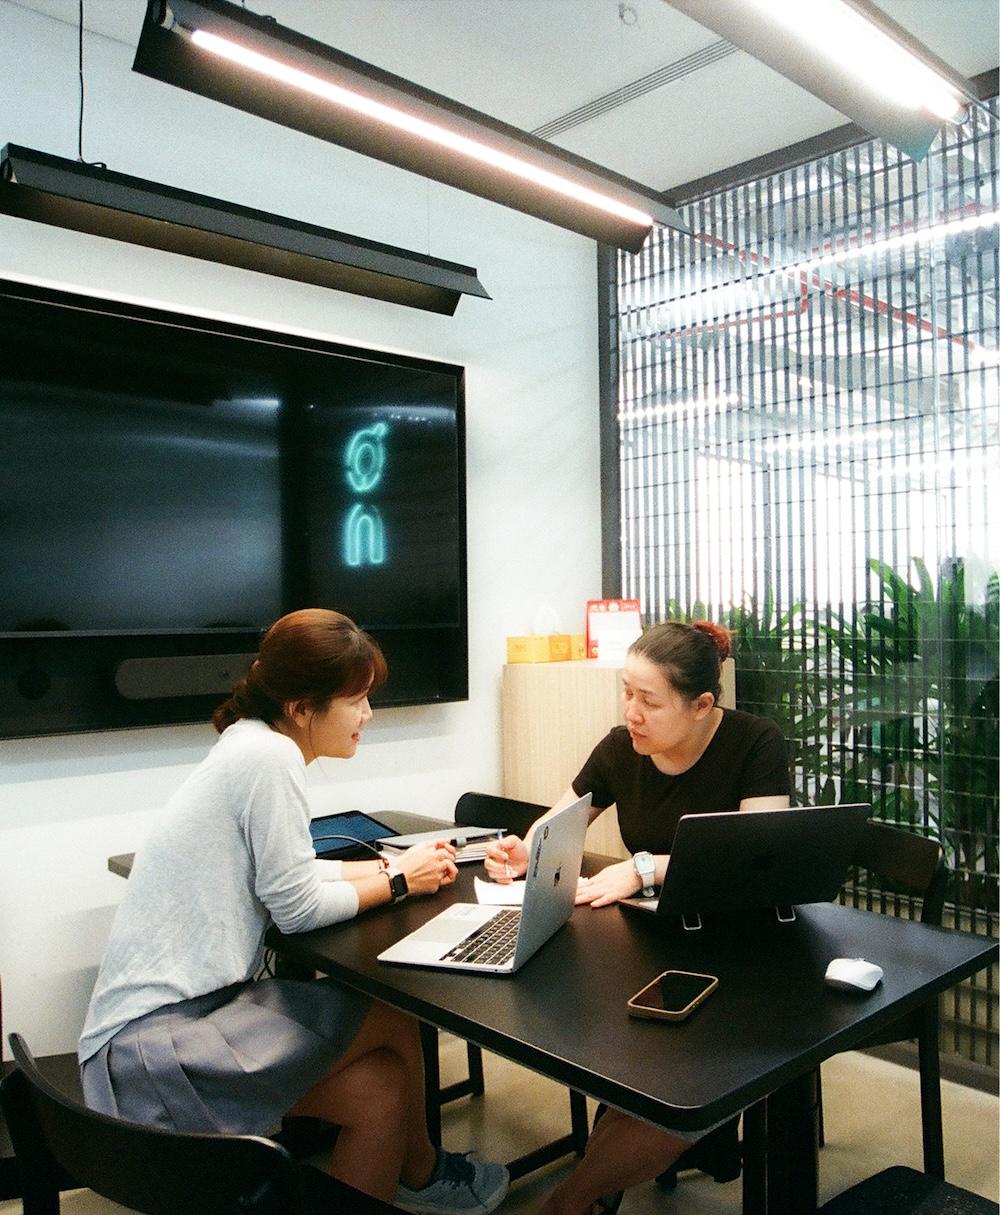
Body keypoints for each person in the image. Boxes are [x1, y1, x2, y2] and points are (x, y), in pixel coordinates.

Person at [80, 608, 509, 1215]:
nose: (367, 715)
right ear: (303, 707)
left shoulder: (249, 744)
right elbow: (299, 906)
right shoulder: (269, 759)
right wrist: (397, 883)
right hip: (159, 1047)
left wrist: (398, 869)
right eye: (357, 700)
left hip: (158, 1028)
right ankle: (425, 1175)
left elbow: (291, 873)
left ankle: (421, 1177)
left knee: (382, 1091)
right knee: (391, 1015)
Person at [485, 619, 790, 1215]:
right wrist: (527, 851)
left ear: (702, 705)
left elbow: (759, 849)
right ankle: (601, 1187)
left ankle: (573, 1201)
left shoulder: (755, 742)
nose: (632, 713)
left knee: (672, 1079)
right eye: (627, 692)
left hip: (747, 951)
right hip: (657, 943)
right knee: (628, 1059)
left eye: (649, 700)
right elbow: (563, 824)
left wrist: (645, 868)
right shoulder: (620, 748)